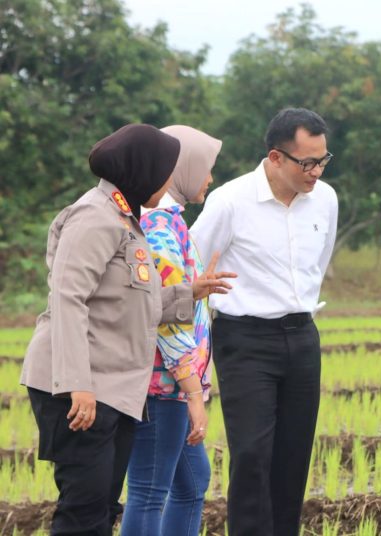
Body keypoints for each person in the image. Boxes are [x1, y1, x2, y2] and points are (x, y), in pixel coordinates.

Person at [20, 124, 234, 536]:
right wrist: (77, 385)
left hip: (112, 388)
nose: (170, 181)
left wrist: (189, 293)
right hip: (79, 387)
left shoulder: (126, 218)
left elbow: (134, 304)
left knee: (101, 507)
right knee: (84, 509)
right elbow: (68, 299)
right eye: (165, 171)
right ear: (144, 170)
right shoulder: (94, 216)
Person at [191, 108, 338, 535]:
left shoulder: (325, 199)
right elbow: (194, 267)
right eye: (307, 162)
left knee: (293, 458)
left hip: (303, 337)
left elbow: (319, 263)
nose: (316, 171)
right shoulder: (230, 201)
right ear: (276, 158)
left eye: (323, 160)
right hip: (245, 339)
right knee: (253, 455)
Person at [120, 126, 226, 536]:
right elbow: (165, 316)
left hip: (173, 383)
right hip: (162, 384)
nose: (210, 178)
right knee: (149, 491)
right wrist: (193, 391)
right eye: (206, 168)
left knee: (192, 482)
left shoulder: (170, 222)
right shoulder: (160, 227)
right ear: (180, 167)